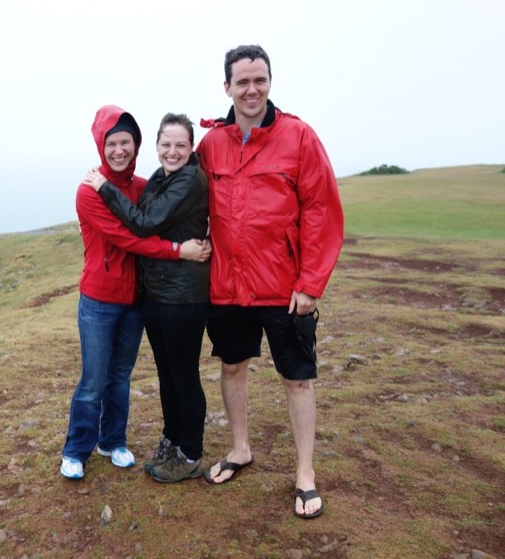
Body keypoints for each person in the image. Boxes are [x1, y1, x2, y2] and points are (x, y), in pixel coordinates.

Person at [196, 45, 344, 518]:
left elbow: (322, 212)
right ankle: (240, 448)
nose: (251, 89)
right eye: (242, 81)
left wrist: (311, 283)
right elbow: (183, 198)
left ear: (269, 83)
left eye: (259, 79)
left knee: (297, 380)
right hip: (227, 287)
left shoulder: (299, 136)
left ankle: (305, 473)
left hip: (284, 289)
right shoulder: (211, 144)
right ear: (227, 88)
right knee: (233, 367)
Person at [60, 105, 210, 480]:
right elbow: (130, 237)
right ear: (101, 145)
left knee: (122, 377)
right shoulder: (90, 190)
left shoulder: (145, 185)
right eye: (112, 143)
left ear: (137, 145)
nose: (119, 150)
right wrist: (179, 251)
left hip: (137, 299)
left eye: (126, 142)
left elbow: (155, 219)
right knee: (93, 380)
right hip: (99, 297)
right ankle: (76, 449)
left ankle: (112, 441)